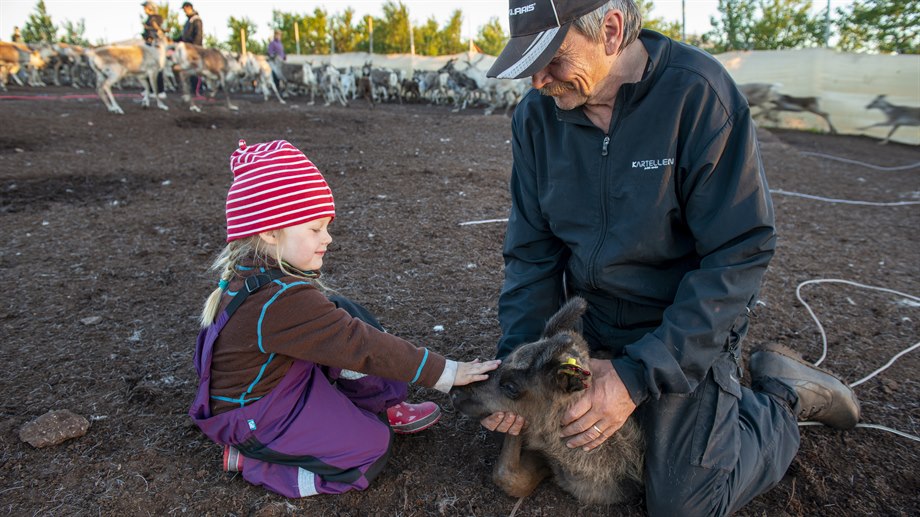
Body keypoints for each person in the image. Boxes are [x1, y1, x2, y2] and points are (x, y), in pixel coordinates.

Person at [482, 1, 861, 515]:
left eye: (552, 58)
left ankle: (778, 399)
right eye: (529, 62)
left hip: (677, 328)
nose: (537, 81)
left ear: (611, 30)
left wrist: (638, 375)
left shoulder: (698, 96)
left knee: (682, 504)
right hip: (589, 318)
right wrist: (520, 358)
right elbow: (531, 256)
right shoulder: (536, 118)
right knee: (513, 457)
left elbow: (738, 254)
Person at [189, 139, 500, 498]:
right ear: (271, 232)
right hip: (255, 418)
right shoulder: (277, 301)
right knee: (368, 453)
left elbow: (349, 336)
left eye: (326, 226)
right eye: (314, 228)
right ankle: (256, 462)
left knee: (344, 311)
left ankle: (381, 406)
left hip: (280, 385)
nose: (328, 238)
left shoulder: (260, 278)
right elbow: (360, 345)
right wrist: (447, 373)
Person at [140, 1, 165, 98]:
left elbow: (157, 30)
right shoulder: (149, 19)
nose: (144, 9)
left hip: (155, 45)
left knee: (157, 68)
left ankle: (160, 91)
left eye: (145, 7)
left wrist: (149, 29)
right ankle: (150, 90)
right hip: (149, 45)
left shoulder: (156, 18)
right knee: (148, 68)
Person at [179, 1, 203, 97]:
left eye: (185, 9)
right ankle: (191, 90)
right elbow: (183, 36)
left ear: (189, 7)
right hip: (187, 49)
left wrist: (194, 48)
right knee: (188, 70)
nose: (184, 12)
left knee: (196, 70)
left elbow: (198, 35)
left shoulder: (196, 20)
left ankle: (198, 91)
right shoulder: (188, 21)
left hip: (194, 49)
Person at [266, 29, 288, 94]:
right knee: (275, 74)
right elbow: (270, 52)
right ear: (275, 35)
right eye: (277, 34)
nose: (278, 36)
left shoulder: (280, 44)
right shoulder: (272, 43)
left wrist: (284, 56)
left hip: (281, 62)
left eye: (279, 35)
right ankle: (276, 89)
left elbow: (282, 52)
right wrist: (273, 55)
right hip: (274, 63)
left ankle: (283, 89)